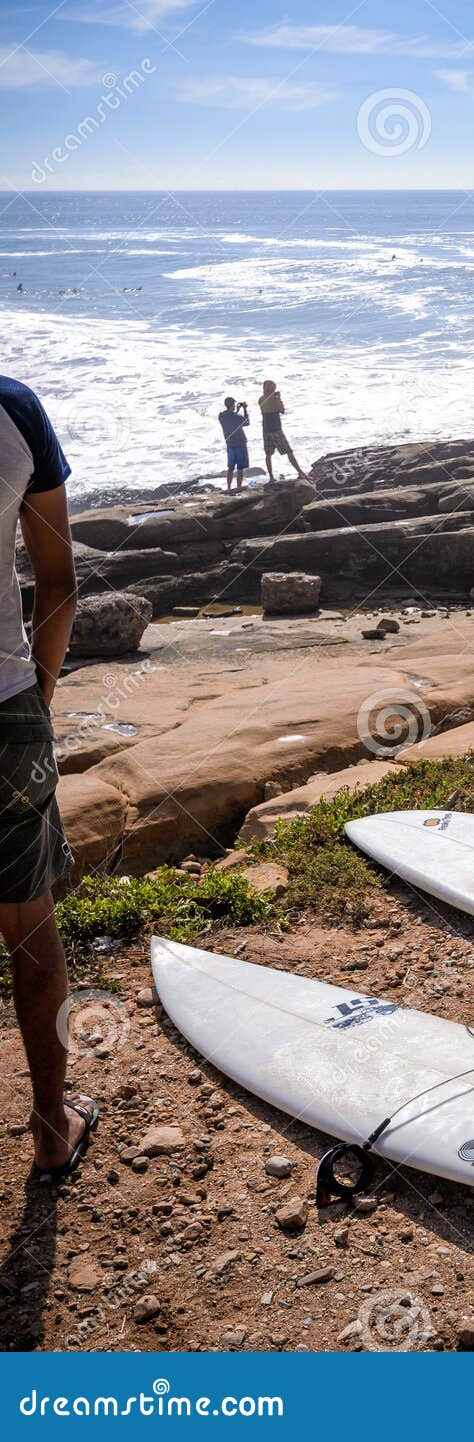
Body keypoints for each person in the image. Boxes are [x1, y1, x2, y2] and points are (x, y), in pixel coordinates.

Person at [0, 376, 94, 1183]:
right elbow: (59, 583)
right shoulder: (12, 409)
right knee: (31, 938)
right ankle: (52, 1129)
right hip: (3, 712)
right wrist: (37, 694)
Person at [258, 379, 304, 482]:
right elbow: (282, 410)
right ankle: (300, 472)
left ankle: (271, 477)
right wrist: (279, 398)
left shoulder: (261, 399)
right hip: (276, 429)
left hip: (266, 429)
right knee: (289, 451)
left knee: (268, 454)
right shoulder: (274, 399)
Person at [217, 395, 250, 492]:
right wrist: (244, 410)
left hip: (230, 444)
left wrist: (236, 411)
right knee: (240, 467)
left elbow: (231, 418)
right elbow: (246, 422)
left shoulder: (221, 416)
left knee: (230, 467)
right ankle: (238, 487)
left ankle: (228, 487)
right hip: (240, 443)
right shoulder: (236, 417)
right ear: (232, 405)